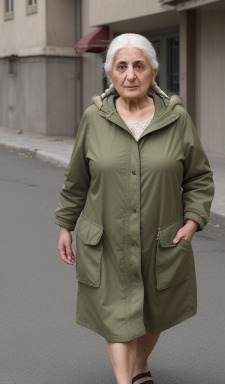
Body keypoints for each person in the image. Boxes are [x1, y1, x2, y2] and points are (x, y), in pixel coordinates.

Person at [55, 33, 214, 384]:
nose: (130, 75)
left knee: (155, 314)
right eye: (121, 66)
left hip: (162, 239)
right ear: (110, 73)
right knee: (118, 319)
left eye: (138, 66)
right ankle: (125, 380)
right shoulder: (94, 119)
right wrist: (65, 224)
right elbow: (76, 178)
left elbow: (200, 178)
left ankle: (139, 365)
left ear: (152, 72)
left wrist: (193, 220)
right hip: (107, 241)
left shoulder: (177, 119)